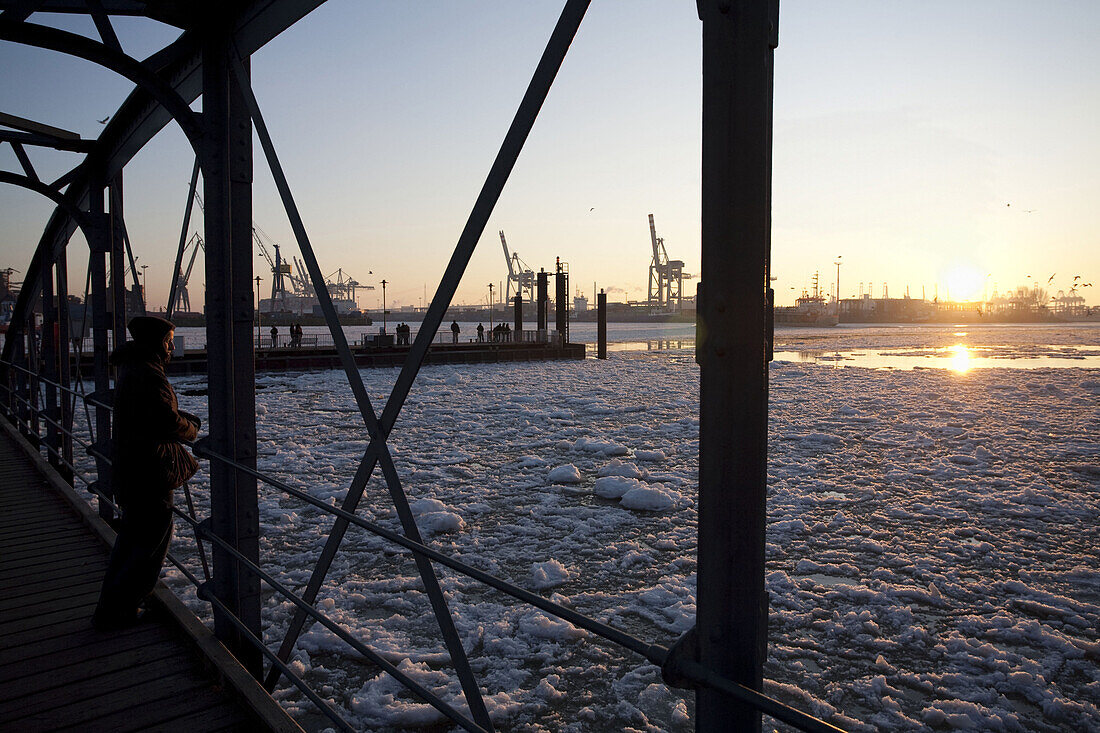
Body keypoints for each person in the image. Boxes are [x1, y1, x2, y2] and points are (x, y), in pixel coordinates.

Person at [93, 316, 199, 630]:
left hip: (132, 466)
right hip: (149, 470)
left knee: (130, 540)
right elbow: (165, 420)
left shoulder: (132, 368)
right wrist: (191, 428)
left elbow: (150, 412)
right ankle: (122, 611)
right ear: (155, 342)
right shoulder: (148, 374)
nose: (170, 347)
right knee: (150, 540)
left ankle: (111, 607)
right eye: (167, 341)